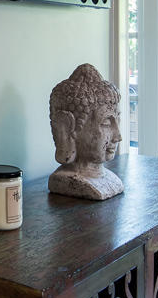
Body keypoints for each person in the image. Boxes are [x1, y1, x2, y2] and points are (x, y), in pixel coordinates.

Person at [48, 63, 124, 200]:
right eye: (106, 123)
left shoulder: (112, 180)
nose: (118, 136)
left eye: (118, 120)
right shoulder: (68, 180)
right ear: (67, 128)